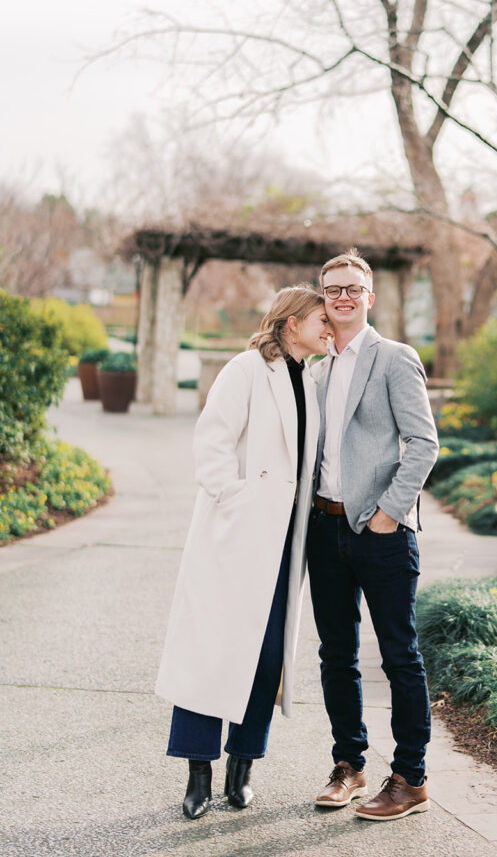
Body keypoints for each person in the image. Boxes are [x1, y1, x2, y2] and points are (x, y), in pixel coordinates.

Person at [155, 286, 330, 820]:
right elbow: (212, 442)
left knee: (267, 657)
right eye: (320, 319)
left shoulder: (311, 379)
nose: (328, 327)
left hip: (284, 541)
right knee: (212, 651)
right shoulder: (246, 369)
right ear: (291, 322)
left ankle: (242, 767)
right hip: (235, 536)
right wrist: (236, 500)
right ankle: (198, 774)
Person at [307, 249, 440, 821]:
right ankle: (350, 766)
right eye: (332, 289)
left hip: (381, 532)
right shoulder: (315, 368)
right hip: (323, 528)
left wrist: (388, 511)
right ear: (322, 298)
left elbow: (424, 443)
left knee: (399, 656)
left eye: (352, 288)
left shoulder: (394, 357)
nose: (342, 297)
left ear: (369, 297)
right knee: (336, 655)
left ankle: (410, 779)